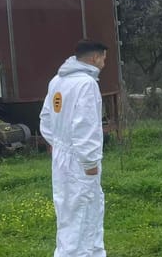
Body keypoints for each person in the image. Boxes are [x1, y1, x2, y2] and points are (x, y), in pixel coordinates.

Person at [40, 39, 109, 257]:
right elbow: (86, 126)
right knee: (83, 215)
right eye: (104, 59)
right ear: (95, 57)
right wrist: (89, 162)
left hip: (62, 155)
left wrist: (58, 143)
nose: (104, 64)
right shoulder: (86, 84)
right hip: (80, 160)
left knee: (68, 213)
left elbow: (45, 119)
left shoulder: (57, 81)